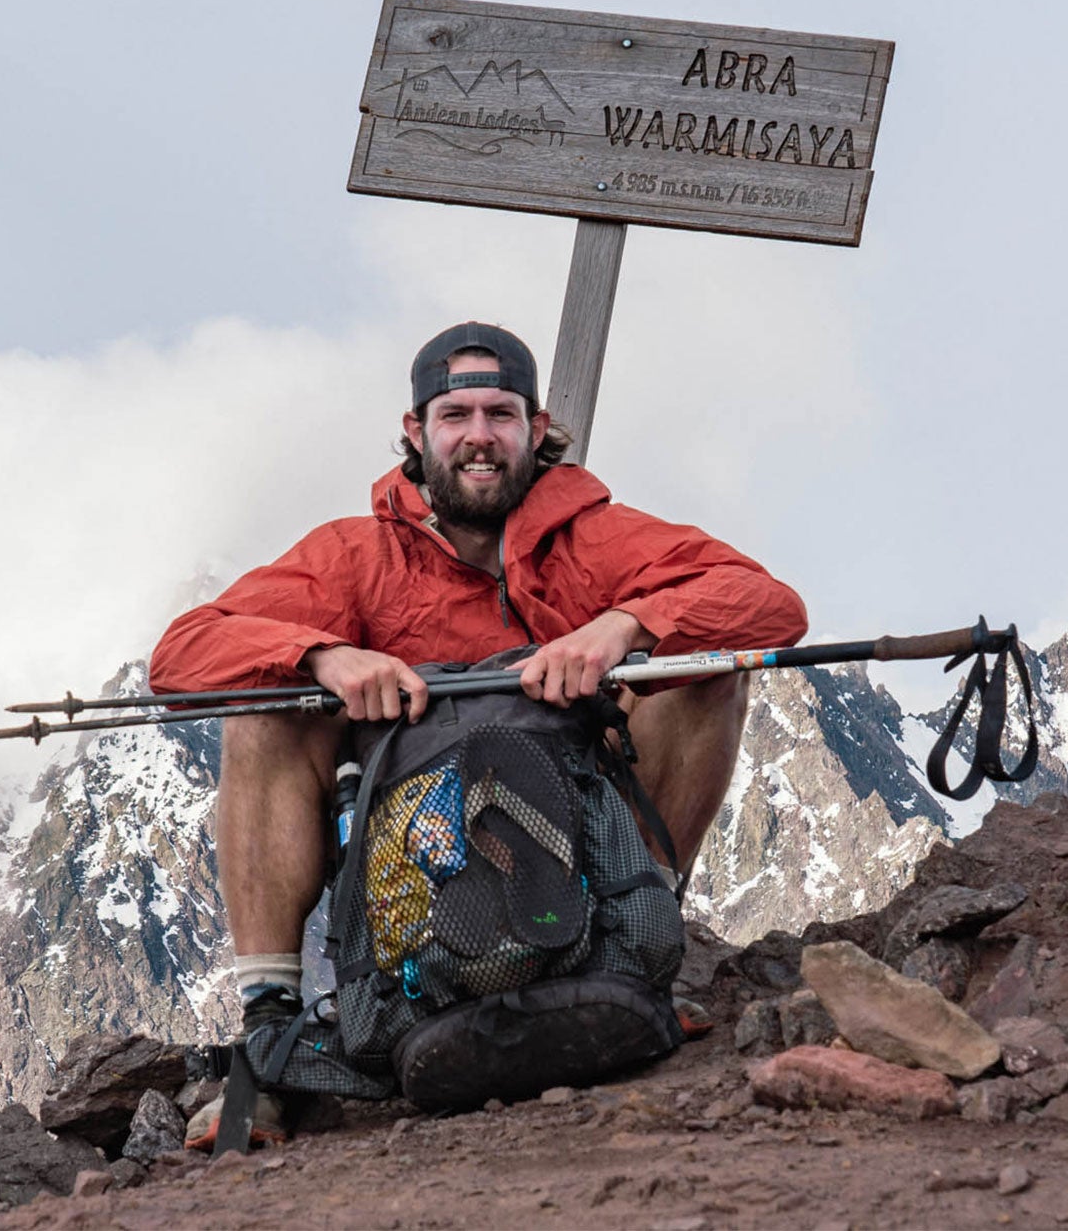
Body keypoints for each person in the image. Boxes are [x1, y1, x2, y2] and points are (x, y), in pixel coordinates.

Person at [150, 321, 807, 1145]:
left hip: (579, 831)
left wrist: (623, 626)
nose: (479, 437)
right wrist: (322, 655)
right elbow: (181, 657)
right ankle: (272, 1032)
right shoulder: (354, 555)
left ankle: (637, 949)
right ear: (416, 432)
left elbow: (769, 604)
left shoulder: (594, 536)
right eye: (455, 414)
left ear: (536, 431)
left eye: (500, 413)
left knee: (705, 671)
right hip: (404, 853)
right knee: (263, 712)